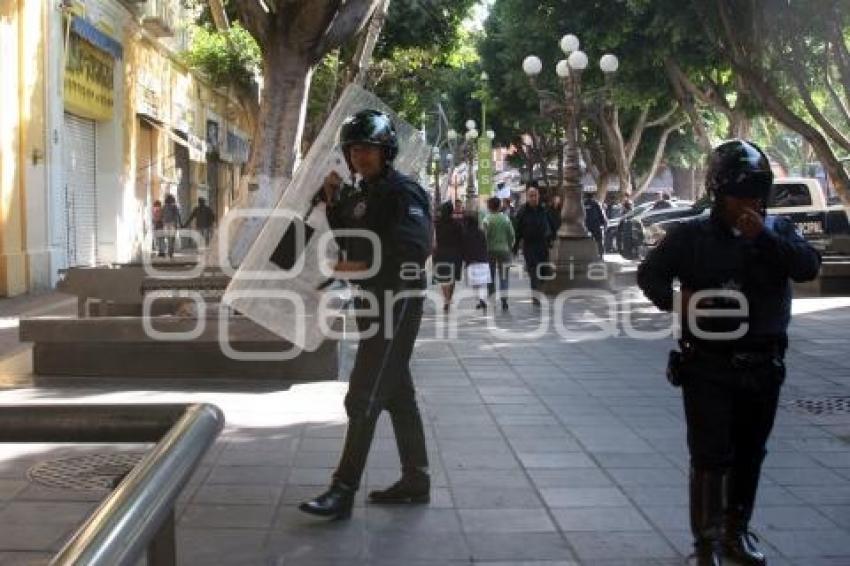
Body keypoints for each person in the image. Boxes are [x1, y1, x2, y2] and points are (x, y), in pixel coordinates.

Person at [637, 140, 821, 566]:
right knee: (710, 454)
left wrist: (766, 238)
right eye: (742, 192)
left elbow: (808, 267)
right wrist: (679, 301)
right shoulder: (691, 235)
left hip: (763, 363)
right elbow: (651, 275)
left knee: (750, 452)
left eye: (759, 192)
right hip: (708, 365)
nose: (751, 201)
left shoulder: (778, 233)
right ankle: (707, 543)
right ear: (720, 192)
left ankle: (737, 533)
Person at [299, 109, 432, 520]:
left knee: (364, 395)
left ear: (386, 150)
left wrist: (359, 268)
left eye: (368, 149)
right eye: (354, 149)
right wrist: (332, 201)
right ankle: (416, 479)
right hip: (370, 304)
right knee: (398, 394)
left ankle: (343, 489)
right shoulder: (363, 194)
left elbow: (413, 249)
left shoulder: (403, 191)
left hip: (398, 303)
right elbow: (351, 238)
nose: (360, 157)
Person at [513, 185, 554, 305]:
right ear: (527, 197)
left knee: (543, 272)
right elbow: (517, 230)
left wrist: (552, 239)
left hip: (543, 245)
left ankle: (539, 292)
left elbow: (552, 225)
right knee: (533, 271)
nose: (533, 198)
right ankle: (536, 296)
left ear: (538, 196)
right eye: (531, 196)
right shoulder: (522, 212)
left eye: (535, 195)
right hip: (529, 246)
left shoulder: (544, 210)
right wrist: (515, 247)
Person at [483, 196, 514, 310]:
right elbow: (511, 235)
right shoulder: (506, 219)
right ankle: (504, 300)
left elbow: (484, 236)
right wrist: (510, 246)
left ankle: (491, 298)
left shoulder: (486, 219)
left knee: (490, 276)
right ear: (499, 206)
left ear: (489, 207)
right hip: (504, 250)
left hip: (490, 251)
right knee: (504, 276)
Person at [433, 201, 464, 312]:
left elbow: (434, 240)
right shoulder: (457, 224)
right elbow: (462, 240)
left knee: (443, 278)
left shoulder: (437, 224)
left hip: (440, 253)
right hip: (455, 254)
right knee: (452, 278)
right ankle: (448, 299)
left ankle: (446, 299)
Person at [461, 212, 490, 311]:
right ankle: (482, 299)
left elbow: (463, 248)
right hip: (483, 260)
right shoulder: (481, 232)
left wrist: (464, 259)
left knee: (475, 283)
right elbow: (485, 245)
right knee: (482, 283)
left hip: (471, 262)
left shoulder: (465, 234)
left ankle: (480, 299)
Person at [161, 194, 181, 258]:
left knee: (168, 238)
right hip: (172, 224)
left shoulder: (164, 207)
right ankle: (170, 252)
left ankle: (169, 251)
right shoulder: (174, 206)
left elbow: (162, 215)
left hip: (165, 224)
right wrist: (180, 224)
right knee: (172, 239)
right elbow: (177, 216)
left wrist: (163, 223)